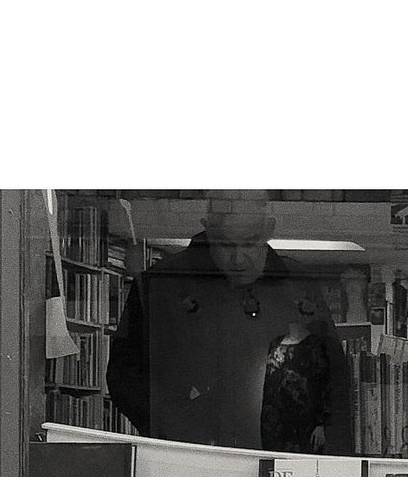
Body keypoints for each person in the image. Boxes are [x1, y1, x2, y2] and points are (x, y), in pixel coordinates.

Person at [105, 192, 346, 453]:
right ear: (207, 230)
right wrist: (173, 427)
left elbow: (334, 380)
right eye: (226, 245)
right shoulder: (159, 288)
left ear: (269, 230)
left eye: (250, 243)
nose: (238, 259)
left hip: (282, 457)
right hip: (190, 455)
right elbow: (125, 378)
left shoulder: (299, 288)